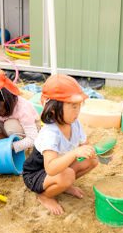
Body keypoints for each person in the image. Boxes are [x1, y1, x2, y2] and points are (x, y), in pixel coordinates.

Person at [22, 74, 98, 215]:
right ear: (53, 108)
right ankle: (45, 196)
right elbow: (50, 168)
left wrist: (101, 153)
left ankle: (63, 186)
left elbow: (86, 144)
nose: (78, 111)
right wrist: (75, 153)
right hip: (37, 173)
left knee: (92, 159)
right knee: (68, 174)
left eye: (79, 106)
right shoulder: (50, 133)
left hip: (60, 167)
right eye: (73, 107)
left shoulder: (73, 123)